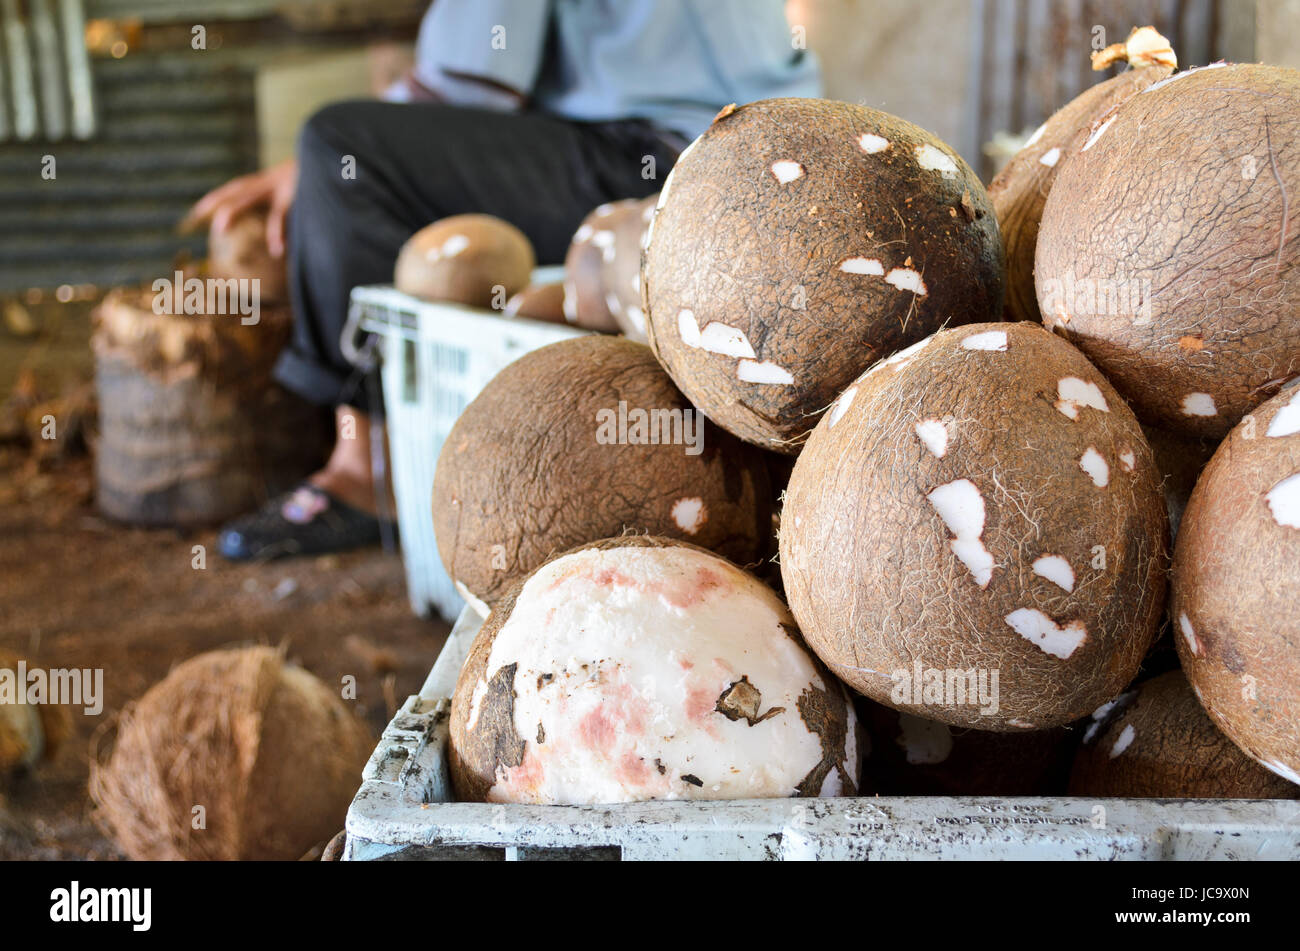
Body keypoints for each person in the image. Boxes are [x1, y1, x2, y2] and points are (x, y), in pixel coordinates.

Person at [190, 0, 820, 560]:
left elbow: (474, 75)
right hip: (761, 150)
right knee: (351, 155)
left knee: (337, 144)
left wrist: (316, 166)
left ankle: (367, 469)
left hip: (661, 158)